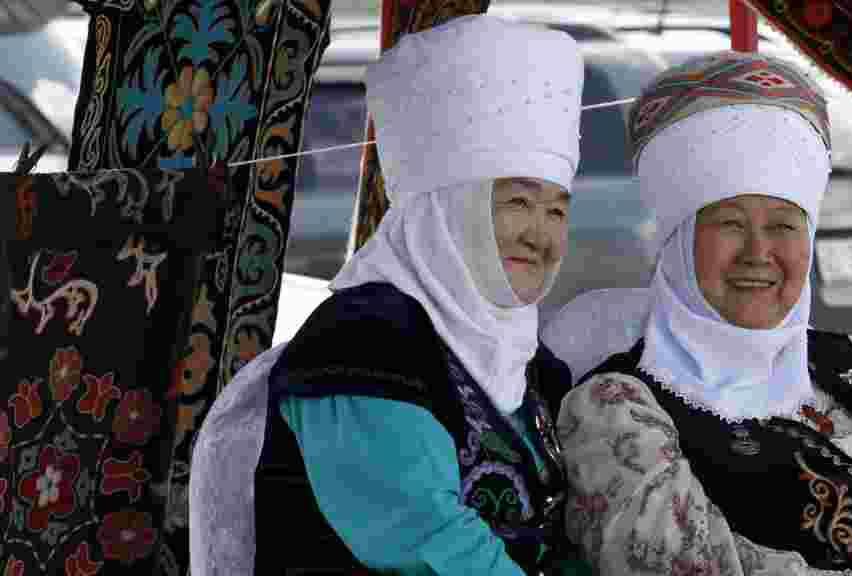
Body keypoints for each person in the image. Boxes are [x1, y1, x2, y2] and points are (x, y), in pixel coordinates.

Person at [556, 52, 852, 576]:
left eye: (784, 225)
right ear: (679, 243)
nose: (759, 252)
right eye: (730, 223)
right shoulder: (617, 406)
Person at [189, 14, 589, 576]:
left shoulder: (532, 367)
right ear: (444, 212)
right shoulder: (362, 345)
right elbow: (424, 542)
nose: (540, 235)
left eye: (556, 210)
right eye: (517, 204)